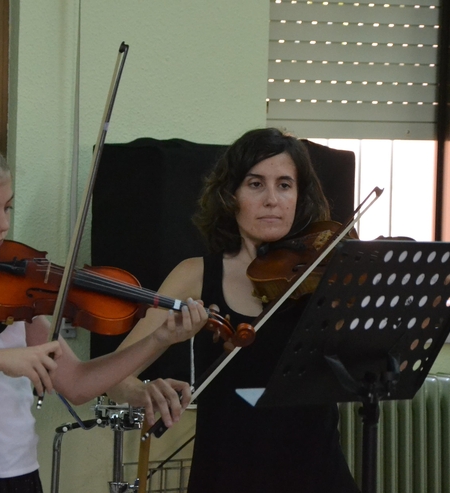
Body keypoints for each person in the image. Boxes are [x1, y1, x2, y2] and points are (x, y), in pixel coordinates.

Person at [0, 134, 208, 493]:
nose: (2, 224)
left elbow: (77, 384)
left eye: (7, 208)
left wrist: (159, 339)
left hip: (19, 475)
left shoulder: (11, 277)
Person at [106, 128, 360, 492]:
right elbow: (114, 377)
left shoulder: (324, 272)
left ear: (299, 197)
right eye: (256, 184)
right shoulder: (194, 275)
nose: (272, 200)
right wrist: (143, 391)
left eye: (284, 185)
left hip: (317, 473)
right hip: (228, 473)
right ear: (231, 196)